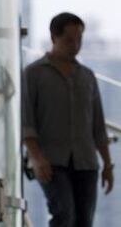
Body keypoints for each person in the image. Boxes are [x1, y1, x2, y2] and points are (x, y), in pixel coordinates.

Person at [23, 12, 114, 227]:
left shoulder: (87, 76)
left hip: (86, 162)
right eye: (69, 40)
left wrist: (108, 164)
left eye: (79, 40)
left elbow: (98, 126)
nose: (75, 46)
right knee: (64, 214)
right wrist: (36, 158)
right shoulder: (34, 74)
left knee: (84, 221)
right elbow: (26, 122)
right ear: (54, 38)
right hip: (51, 161)